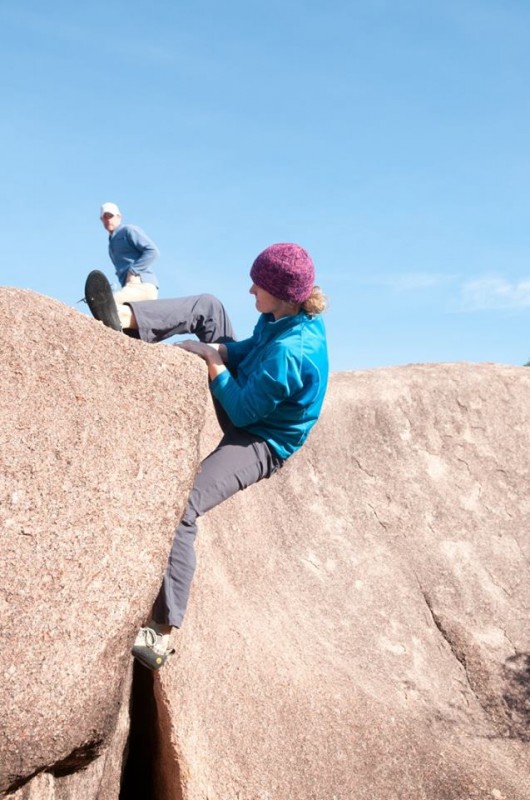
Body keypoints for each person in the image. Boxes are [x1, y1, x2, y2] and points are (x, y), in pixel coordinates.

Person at [125, 243, 329, 670]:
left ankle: (162, 634)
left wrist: (211, 360)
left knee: (184, 505)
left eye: (260, 284)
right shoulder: (281, 317)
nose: (251, 289)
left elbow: (241, 412)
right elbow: (254, 345)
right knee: (209, 307)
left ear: (285, 293)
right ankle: (126, 321)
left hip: (262, 439)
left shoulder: (292, 353)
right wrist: (224, 351)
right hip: (253, 389)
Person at [99, 202, 160, 306]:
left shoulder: (128, 231)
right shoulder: (111, 244)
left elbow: (152, 251)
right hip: (129, 287)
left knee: (109, 305)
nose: (108, 220)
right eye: (104, 217)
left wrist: (133, 270)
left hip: (141, 284)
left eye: (111, 216)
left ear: (119, 217)